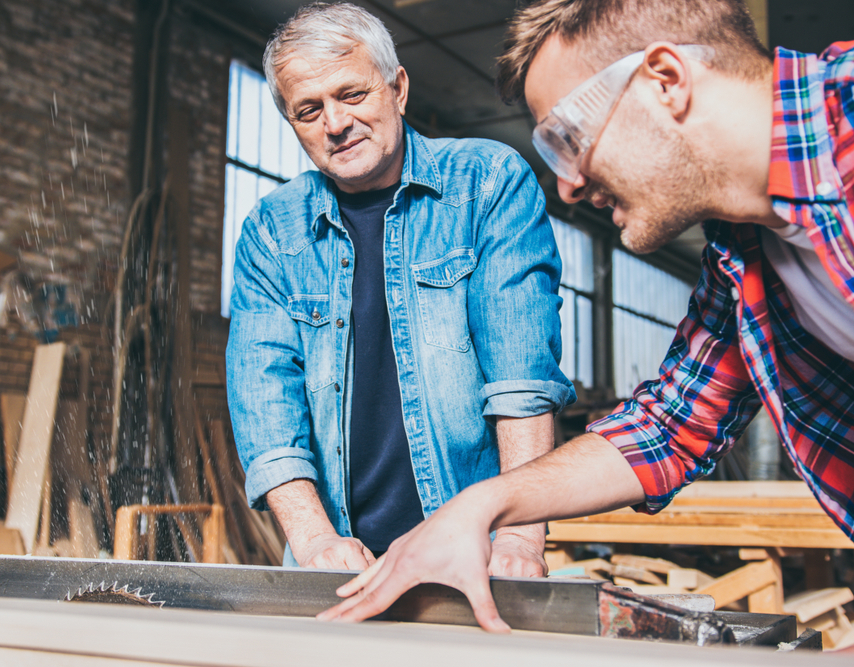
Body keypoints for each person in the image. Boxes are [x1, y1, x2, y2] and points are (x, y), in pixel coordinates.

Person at [319, 0, 854, 632]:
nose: (568, 186)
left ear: (666, 81)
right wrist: (481, 506)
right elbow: (669, 428)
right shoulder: (743, 255)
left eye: (568, 138)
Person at [226, 2, 574, 574]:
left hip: (475, 550)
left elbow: (521, 376)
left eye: (352, 94)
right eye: (309, 109)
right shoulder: (272, 231)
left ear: (398, 88)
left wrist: (516, 539)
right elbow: (264, 401)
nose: (335, 124)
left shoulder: (486, 183)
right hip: (337, 560)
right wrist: (314, 542)